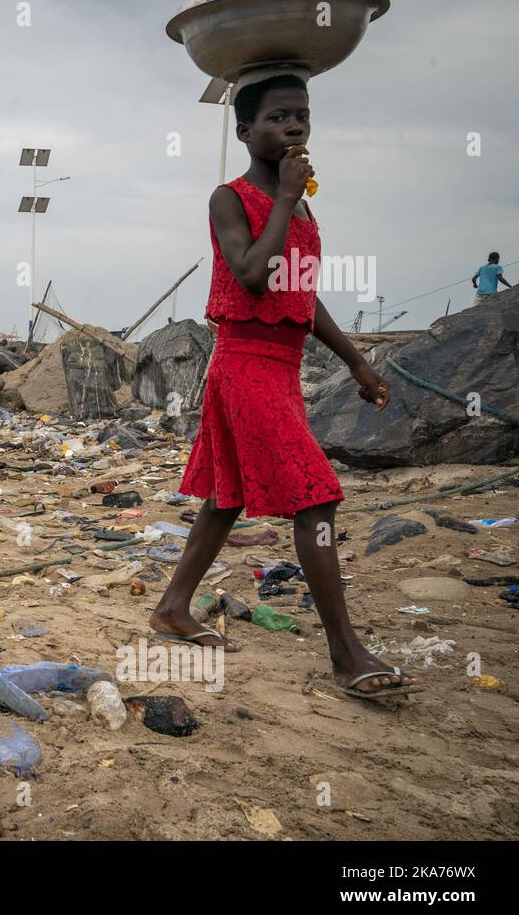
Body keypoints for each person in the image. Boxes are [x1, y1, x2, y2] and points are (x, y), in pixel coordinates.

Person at [148, 73, 421, 700]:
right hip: (243, 364)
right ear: (245, 131)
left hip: (283, 367)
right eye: (277, 117)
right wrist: (284, 200)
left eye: (301, 115)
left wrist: (356, 360)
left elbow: (300, 291)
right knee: (315, 496)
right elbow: (249, 274)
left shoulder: (299, 207)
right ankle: (347, 654)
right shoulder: (230, 198)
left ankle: (172, 607)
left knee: (227, 495)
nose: (294, 126)